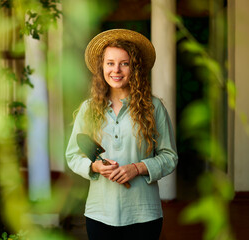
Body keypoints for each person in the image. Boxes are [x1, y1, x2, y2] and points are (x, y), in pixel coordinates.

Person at [65, 29, 178, 240]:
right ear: (102, 67)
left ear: (134, 68)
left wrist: (137, 168)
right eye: (110, 63)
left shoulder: (154, 108)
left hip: (144, 215)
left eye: (124, 63)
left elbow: (170, 157)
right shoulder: (88, 109)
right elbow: (73, 156)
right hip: (99, 213)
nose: (116, 70)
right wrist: (94, 166)